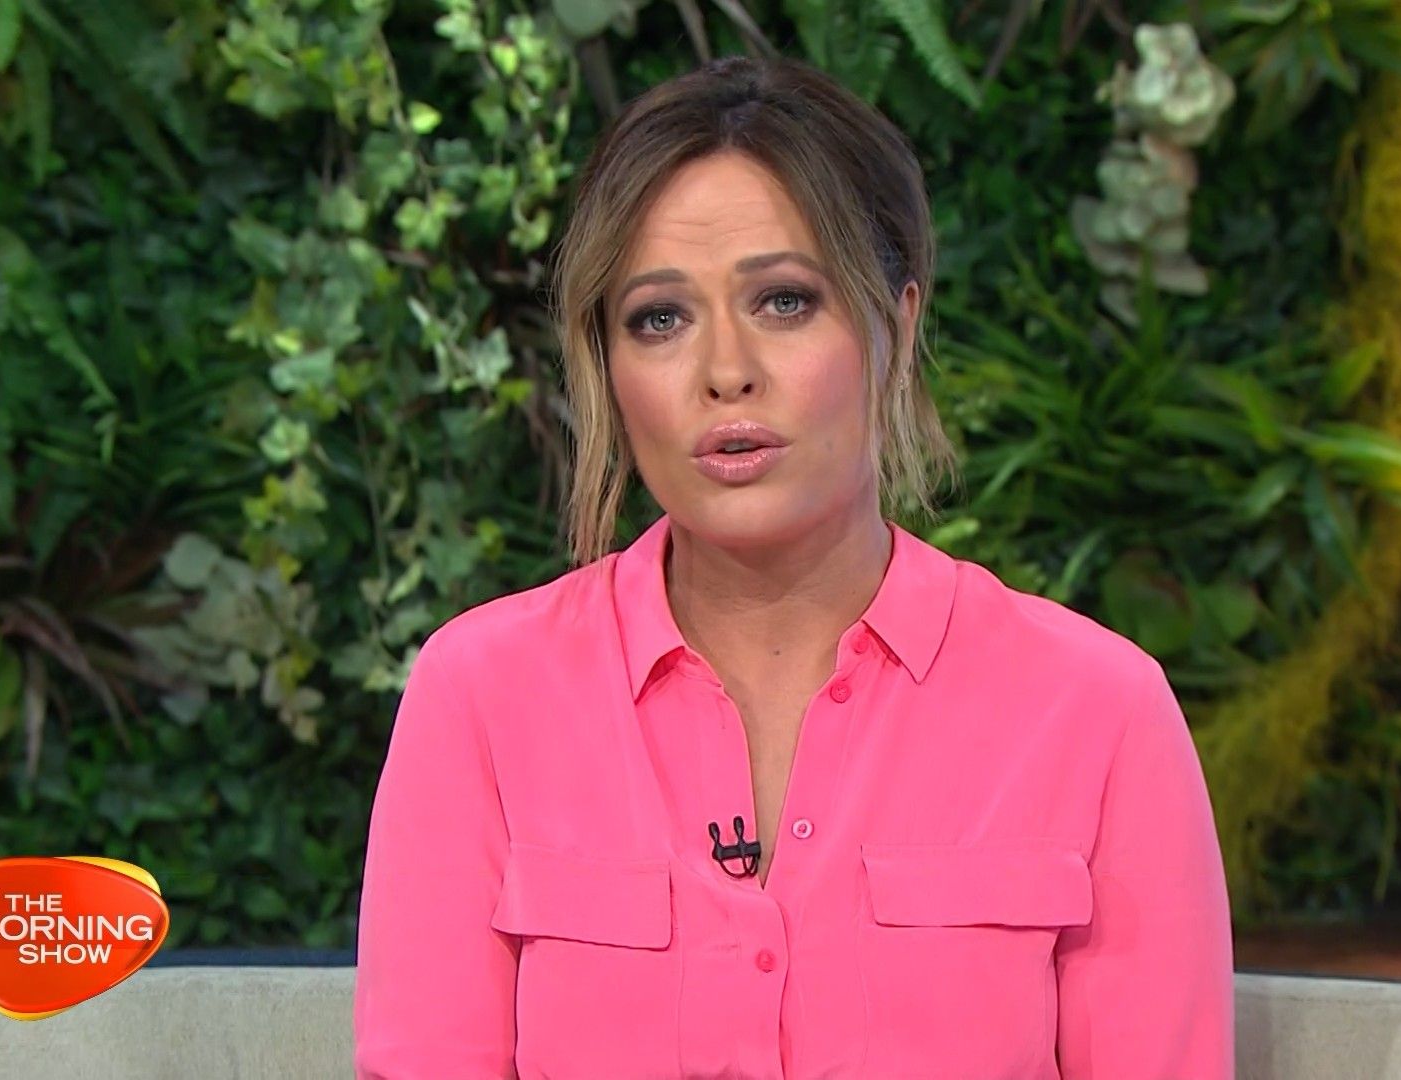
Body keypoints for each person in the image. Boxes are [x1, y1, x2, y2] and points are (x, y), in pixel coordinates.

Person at [353, 54, 1233, 1080]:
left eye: (783, 301)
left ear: (897, 325)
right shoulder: (481, 695)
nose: (726, 371)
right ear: (607, 365)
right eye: (660, 318)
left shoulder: (1097, 710)